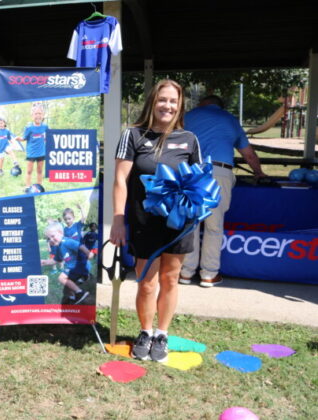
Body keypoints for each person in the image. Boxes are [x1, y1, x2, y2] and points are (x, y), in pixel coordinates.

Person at [109, 79, 201, 362]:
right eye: (163, 100)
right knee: (147, 282)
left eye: (174, 101)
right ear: (153, 102)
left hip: (178, 225)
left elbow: (198, 181)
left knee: (170, 280)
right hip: (143, 223)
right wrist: (118, 219)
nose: (168, 106)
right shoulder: (134, 135)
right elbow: (120, 180)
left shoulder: (190, 139)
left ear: (180, 106)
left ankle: (162, 334)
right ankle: (145, 332)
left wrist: (199, 204)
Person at [180, 95, 266, 287]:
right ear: (220, 106)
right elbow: (249, 155)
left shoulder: (187, 116)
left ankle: (185, 272)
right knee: (214, 226)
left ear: (202, 104)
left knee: (190, 224)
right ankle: (209, 274)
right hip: (220, 172)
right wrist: (259, 173)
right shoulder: (230, 120)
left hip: (191, 171)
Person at [41, 222, 94, 304]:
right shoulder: (59, 247)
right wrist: (45, 262)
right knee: (67, 287)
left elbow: (80, 245)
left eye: (53, 236)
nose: (51, 240)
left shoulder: (66, 241)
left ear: (60, 233)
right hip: (73, 267)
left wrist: (88, 253)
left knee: (62, 278)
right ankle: (72, 298)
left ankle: (80, 293)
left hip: (79, 265)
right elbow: (56, 260)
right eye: (48, 239)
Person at [16, 103, 48, 193]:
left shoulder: (45, 126)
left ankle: (39, 187)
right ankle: (27, 187)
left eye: (40, 113)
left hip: (41, 153)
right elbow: (24, 138)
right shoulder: (29, 127)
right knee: (29, 171)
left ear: (43, 115)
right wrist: (19, 139)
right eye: (36, 114)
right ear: (32, 115)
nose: (38, 115)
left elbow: (48, 137)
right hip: (31, 153)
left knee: (40, 171)